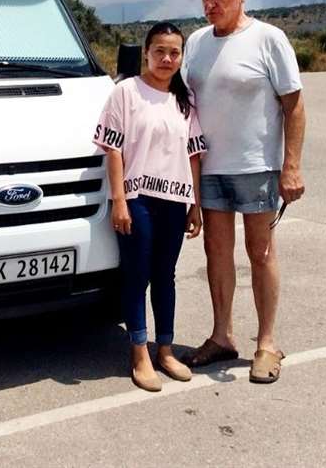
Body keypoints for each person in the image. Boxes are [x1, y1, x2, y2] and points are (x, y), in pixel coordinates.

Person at [181, 0, 306, 384]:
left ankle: (267, 344)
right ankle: (222, 335)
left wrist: (291, 166)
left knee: (261, 252)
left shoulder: (268, 38)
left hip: (257, 166)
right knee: (216, 252)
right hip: (210, 167)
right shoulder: (197, 43)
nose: (210, 4)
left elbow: (294, 106)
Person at [94, 22, 207, 392]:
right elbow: (113, 150)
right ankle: (139, 353)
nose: (167, 59)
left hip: (174, 201)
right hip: (137, 199)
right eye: (159, 51)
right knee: (137, 275)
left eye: (174, 52)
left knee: (165, 275)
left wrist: (195, 205)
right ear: (146, 52)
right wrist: (119, 201)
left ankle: (166, 350)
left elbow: (193, 156)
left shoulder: (184, 100)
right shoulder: (126, 92)